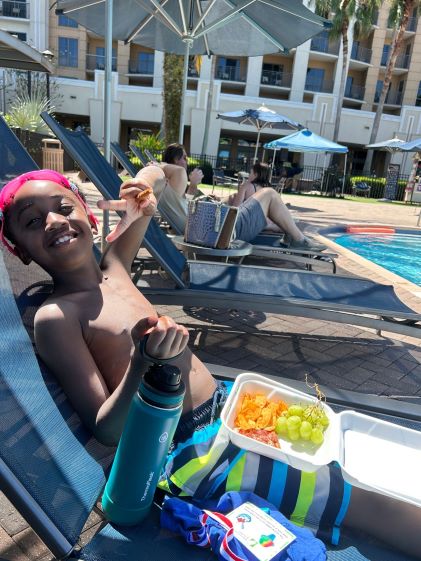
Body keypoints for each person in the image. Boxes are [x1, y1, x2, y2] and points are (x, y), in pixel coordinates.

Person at [1, 168, 421, 558]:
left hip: (231, 411)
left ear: (90, 217)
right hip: (191, 453)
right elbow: (106, 428)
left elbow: (168, 176)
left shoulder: (115, 265)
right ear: (20, 250)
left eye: (63, 207)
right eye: (32, 222)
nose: (53, 222)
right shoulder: (57, 317)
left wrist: (142, 187)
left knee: (345, 456)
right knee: (357, 499)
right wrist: (142, 365)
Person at [159, 143, 326, 251]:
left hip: (215, 226)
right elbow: (180, 172)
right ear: (174, 161)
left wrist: (200, 190)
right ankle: (298, 239)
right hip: (221, 231)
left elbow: (185, 202)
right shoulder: (174, 178)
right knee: (269, 193)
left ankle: (290, 232)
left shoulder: (167, 188)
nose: (187, 162)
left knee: (263, 198)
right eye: (184, 158)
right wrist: (160, 165)